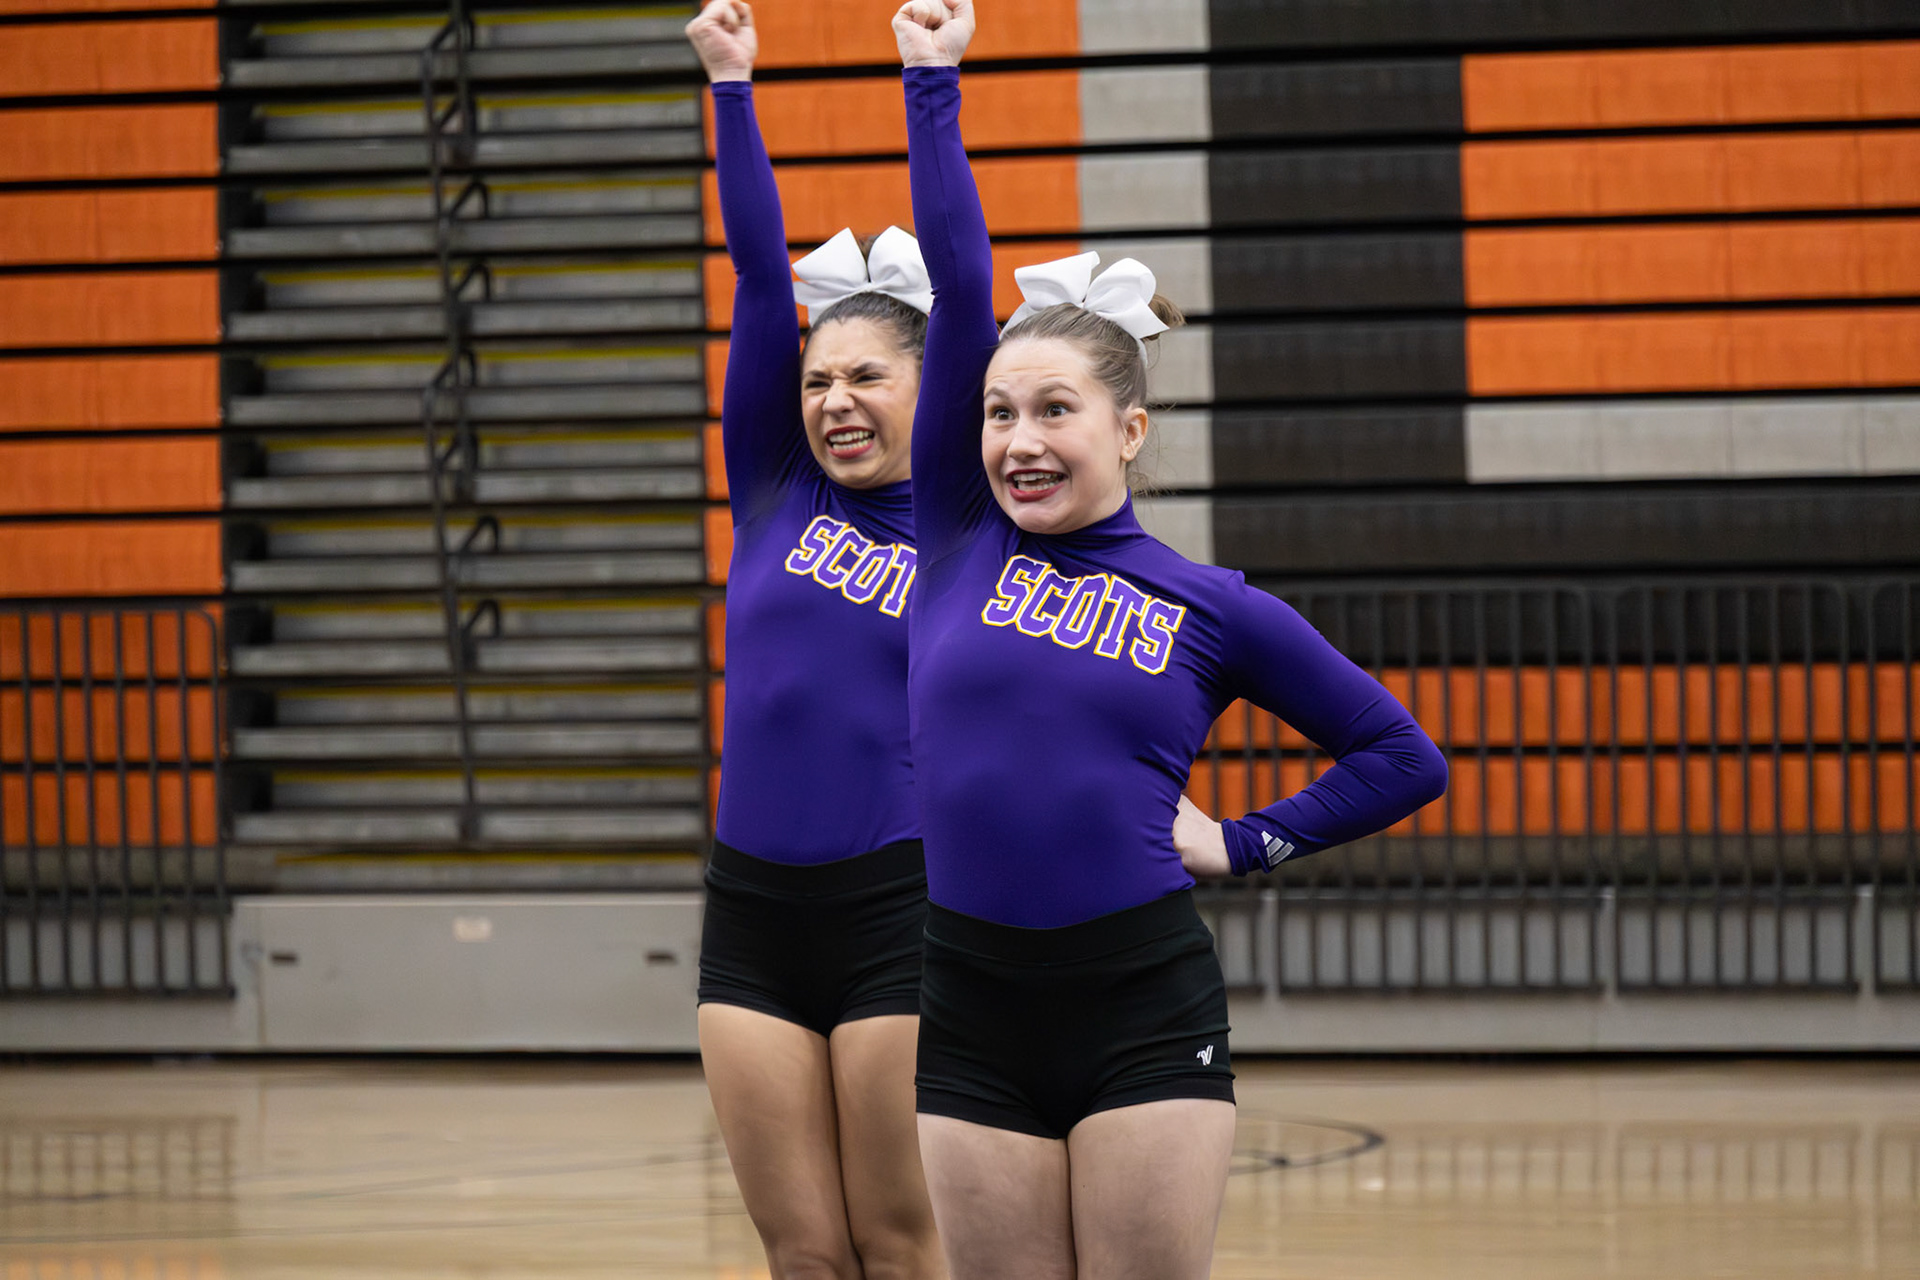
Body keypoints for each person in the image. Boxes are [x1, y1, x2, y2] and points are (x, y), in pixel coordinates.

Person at [892, 2, 1450, 1276]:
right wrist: (931, 79)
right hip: (967, 995)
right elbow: (958, 277)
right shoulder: (957, 540)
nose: (1019, 438)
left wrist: (1243, 839)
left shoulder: (1212, 604)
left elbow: (1402, 754)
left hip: (1140, 998)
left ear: (1129, 429)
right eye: (994, 412)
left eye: (1055, 410)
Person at [686, 3, 944, 1277]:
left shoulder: (964, 523)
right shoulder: (775, 488)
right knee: (801, 1247)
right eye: (817, 380)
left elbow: (958, 248)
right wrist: (734, 85)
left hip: (899, 900)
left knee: (898, 1240)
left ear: (929, 386)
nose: (834, 400)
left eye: (867, 379)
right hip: (752, 903)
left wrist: (928, 85)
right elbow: (752, 267)